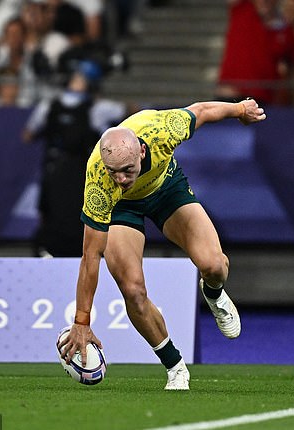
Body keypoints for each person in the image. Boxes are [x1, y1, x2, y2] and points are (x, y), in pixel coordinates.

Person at [58, 98, 266, 390]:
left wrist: (240, 110)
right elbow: (90, 256)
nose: (120, 178)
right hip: (122, 209)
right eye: (113, 171)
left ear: (142, 152)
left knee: (214, 265)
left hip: (166, 190)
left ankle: (213, 292)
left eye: (128, 170)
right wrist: (81, 321)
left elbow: (202, 111)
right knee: (132, 290)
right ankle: (175, 367)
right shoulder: (100, 182)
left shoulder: (162, 131)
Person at [22, 60, 127, 257]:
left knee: (67, 214)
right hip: (77, 172)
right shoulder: (98, 108)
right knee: (68, 214)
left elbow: (28, 134)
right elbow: (129, 110)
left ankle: (55, 252)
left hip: (62, 169)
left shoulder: (50, 106)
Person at [216, 0, 294, 105]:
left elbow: (293, 70)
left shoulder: (286, 30)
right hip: (230, 95)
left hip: (263, 101)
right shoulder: (242, 9)